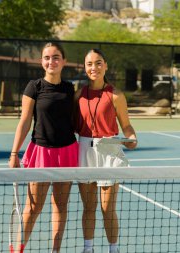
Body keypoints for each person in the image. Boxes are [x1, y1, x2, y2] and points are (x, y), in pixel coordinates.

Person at [8, 42, 78, 253]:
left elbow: (74, 120)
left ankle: (55, 251)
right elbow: (24, 122)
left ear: (63, 61)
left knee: (60, 206)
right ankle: (18, 250)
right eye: (47, 57)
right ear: (42, 62)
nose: (51, 61)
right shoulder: (34, 87)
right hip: (41, 153)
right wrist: (14, 153)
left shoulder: (69, 88)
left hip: (67, 152)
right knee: (32, 208)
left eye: (56, 57)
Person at [75, 49, 137, 253]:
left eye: (98, 63)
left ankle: (113, 249)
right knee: (89, 207)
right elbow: (72, 124)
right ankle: (88, 248)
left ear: (106, 66)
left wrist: (131, 138)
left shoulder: (116, 95)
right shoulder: (79, 95)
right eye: (90, 64)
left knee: (107, 208)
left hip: (110, 150)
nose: (94, 67)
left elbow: (126, 125)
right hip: (85, 150)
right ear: (85, 68)